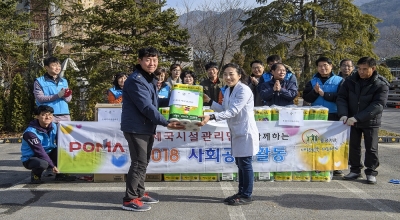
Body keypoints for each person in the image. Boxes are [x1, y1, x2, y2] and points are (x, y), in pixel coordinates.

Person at [120, 47, 185, 212]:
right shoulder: (136, 80)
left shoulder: (148, 78)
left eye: (155, 60)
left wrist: (180, 99)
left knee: (143, 162)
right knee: (139, 162)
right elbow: (146, 107)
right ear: (140, 61)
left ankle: (139, 193)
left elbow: (155, 102)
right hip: (136, 128)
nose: (152, 63)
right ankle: (130, 199)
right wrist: (166, 122)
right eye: (148, 59)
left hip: (145, 127)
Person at [198, 63, 259, 206]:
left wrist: (211, 117)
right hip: (237, 132)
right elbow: (223, 109)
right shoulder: (228, 90)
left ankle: (246, 194)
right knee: (240, 163)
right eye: (225, 74)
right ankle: (241, 192)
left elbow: (233, 111)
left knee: (245, 164)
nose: (228, 77)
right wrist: (210, 101)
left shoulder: (244, 90)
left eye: (231, 74)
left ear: (239, 75)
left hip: (245, 132)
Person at [337, 57, 389, 184]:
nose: (361, 72)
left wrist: (358, 117)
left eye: (365, 69)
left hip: (370, 121)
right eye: (359, 68)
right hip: (351, 120)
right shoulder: (350, 81)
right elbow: (342, 98)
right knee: (353, 146)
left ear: (373, 68)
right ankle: (355, 170)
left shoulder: (381, 84)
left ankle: (371, 172)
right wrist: (343, 114)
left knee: (371, 148)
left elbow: (378, 105)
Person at [21, 105, 75, 184]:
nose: (48, 117)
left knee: (65, 150)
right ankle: (36, 175)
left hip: (48, 152)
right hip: (32, 157)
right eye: (44, 115)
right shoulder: (30, 133)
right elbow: (39, 152)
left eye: (50, 115)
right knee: (42, 163)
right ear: (37, 116)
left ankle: (61, 175)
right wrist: (52, 165)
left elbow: (62, 141)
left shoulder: (54, 126)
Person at [302, 57, 344, 121]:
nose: (322, 68)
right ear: (317, 68)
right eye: (320, 66)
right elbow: (306, 98)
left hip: (334, 114)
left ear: (331, 66)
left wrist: (325, 94)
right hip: (316, 114)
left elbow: (342, 97)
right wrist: (315, 92)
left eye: (325, 65)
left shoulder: (340, 80)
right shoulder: (312, 81)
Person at [34, 57, 72, 123]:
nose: (57, 68)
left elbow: (68, 99)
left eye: (59, 66)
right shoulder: (39, 81)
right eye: (54, 65)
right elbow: (40, 98)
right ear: (46, 67)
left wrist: (66, 95)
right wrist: (58, 95)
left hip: (65, 115)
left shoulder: (64, 81)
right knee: (50, 133)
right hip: (48, 115)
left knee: (66, 133)